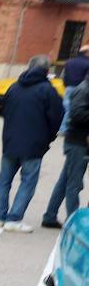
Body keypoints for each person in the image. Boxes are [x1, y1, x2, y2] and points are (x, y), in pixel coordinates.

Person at [0, 55, 63, 232]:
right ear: (47, 71)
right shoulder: (48, 91)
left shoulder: (14, 87)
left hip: (10, 141)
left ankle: (0, 217)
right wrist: (49, 137)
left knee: (4, 180)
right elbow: (56, 117)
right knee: (28, 182)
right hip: (34, 144)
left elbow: (4, 110)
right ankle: (14, 218)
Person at [45, 42, 89, 227]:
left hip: (78, 141)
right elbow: (77, 113)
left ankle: (50, 216)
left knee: (66, 180)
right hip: (78, 142)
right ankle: (75, 223)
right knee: (74, 183)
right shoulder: (85, 89)